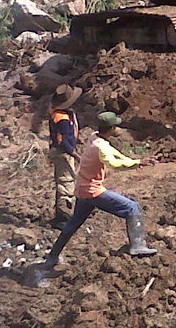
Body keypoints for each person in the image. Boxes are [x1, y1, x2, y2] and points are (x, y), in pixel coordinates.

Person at [42, 111, 157, 270]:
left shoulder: (95, 137)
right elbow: (113, 163)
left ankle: (52, 257)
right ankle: (138, 246)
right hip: (92, 191)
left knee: (73, 224)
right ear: (111, 128)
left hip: (82, 189)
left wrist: (137, 162)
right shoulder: (100, 147)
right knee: (132, 207)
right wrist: (137, 163)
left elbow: (116, 154)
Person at [48, 84, 82, 229]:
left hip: (63, 150)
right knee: (66, 182)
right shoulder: (61, 118)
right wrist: (74, 154)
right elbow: (63, 139)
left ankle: (62, 214)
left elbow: (68, 134)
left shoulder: (63, 114)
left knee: (65, 180)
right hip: (63, 153)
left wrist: (77, 139)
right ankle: (64, 217)